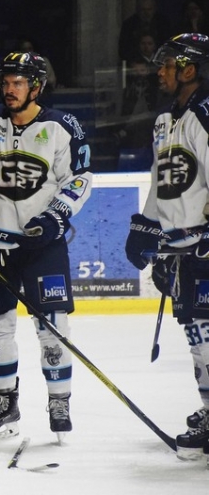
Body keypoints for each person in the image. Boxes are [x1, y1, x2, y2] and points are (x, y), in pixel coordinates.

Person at [0, 51, 93, 443]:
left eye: (18, 82)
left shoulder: (60, 126)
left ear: (36, 86)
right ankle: (6, 402)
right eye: (5, 82)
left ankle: (59, 401)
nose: (9, 89)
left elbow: (80, 178)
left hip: (44, 246)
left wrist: (56, 216)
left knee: (52, 328)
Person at [123, 32, 209, 461]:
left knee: (208, 337)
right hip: (181, 250)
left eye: (167, 65)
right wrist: (148, 230)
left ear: (189, 69)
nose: (160, 71)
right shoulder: (164, 121)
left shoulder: (206, 117)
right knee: (198, 336)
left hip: (204, 246)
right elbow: (163, 184)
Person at [118, 0, 172, 64]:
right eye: (143, 9)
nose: (146, 13)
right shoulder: (129, 24)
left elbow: (169, 45)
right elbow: (123, 49)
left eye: (149, 9)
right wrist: (134, 62)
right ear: (138, 10)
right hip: (135, 66)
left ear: (154, 9)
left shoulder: (163, 23)